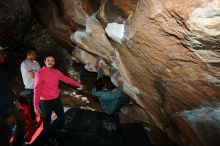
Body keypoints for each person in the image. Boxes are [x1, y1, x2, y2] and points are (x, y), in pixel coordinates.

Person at [34, 54, 83, 142]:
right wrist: (36, 106)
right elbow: (36, 90)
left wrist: (78, 84)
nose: (50, 62)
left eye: (52, 60)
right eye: (48, 60)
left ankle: (59, 129)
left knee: (62, 118)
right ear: (45, 62)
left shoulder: (56, 72)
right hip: (45, 102)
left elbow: (66, 79)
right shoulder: (40, 74)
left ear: (54, 62)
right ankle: (48, 137)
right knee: (47, 121)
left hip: (56, 100)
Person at [0, 46, 26, 146]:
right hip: (2, 109)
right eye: (1, 54)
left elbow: (7, 87)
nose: (4, 55)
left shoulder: (2, 68)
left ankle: (18, 142)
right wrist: (6, 115)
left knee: (21, 121)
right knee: (5, 131)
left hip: (9, 103)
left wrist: (15, 100)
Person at [20, 47, 40, 126]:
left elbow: (40, 74)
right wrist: (37, 73)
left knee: (42, 102)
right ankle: (34, 121)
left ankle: (43, 115)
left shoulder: (36, 62)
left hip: (39, 86)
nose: (35, 55)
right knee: (32, 104)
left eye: (35, 54)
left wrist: (36, 73)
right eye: (33, 54)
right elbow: (33, 75)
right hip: (30, 88)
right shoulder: (24, 63)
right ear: (28, 54)